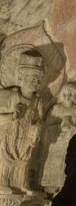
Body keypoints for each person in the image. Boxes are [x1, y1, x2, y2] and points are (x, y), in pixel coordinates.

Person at [0, 50, 45, 194]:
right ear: (20, 77)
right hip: (7, 137)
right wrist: (11, 116)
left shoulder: (38, 101)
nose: (36, 82)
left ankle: (21, 184)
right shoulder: (8, 95)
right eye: (33, 78)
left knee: (23, 162)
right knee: (4, 160)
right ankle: (2, 182)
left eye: (38, 80)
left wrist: (36, 129)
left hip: (25, 139)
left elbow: (39, 120)